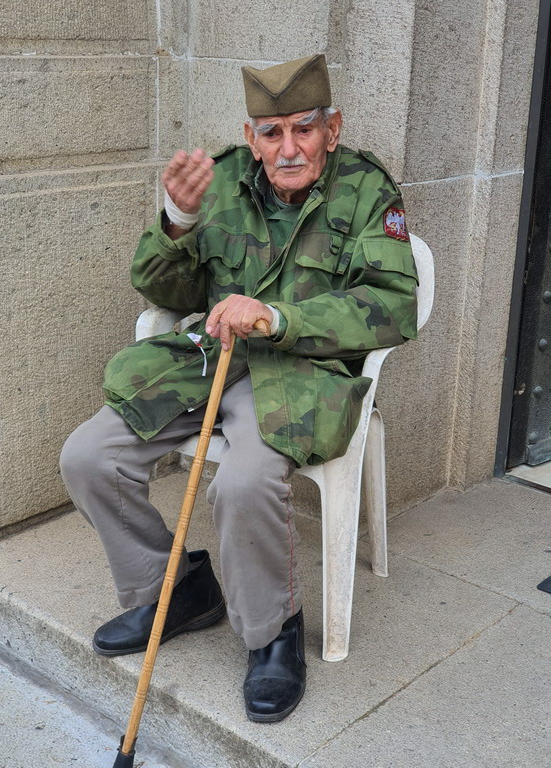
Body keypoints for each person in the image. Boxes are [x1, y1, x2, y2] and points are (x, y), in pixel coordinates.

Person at [60, 54, 418, 723]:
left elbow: (393, 307)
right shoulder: (223, 181)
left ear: (331, 130)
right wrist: (177, 219)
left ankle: (272, 633)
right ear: (251, 138)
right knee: (87, 456)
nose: (288, 149)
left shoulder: (366, 191)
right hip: (213, 356)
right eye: (272, 133)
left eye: (303, 131)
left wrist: (280, 317)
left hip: (300, 373)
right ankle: (177, 589)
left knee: (242, 481)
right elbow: (164, 288)